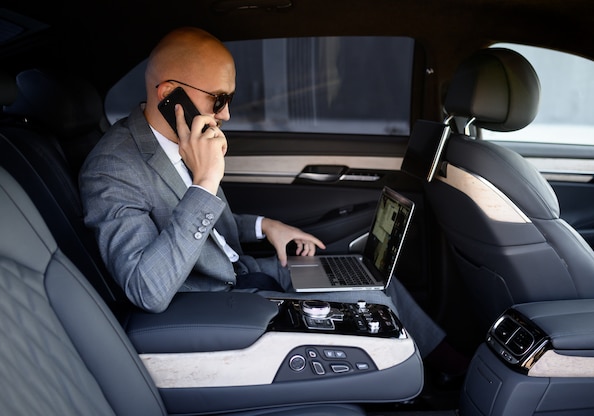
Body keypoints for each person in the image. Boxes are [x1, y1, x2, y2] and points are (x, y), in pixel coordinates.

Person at [79, 27, 467, 375]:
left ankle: (446, 366)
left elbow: (203, 221)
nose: (227, 114)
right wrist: (206, 181)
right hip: (218, 305)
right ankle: (421, 378)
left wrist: (265, 225)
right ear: (168, 94)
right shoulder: (113, 167)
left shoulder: (185, 138)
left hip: (243, 268)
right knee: (372, 297)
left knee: (376, 279)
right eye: (218, 99)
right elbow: (146, 287)